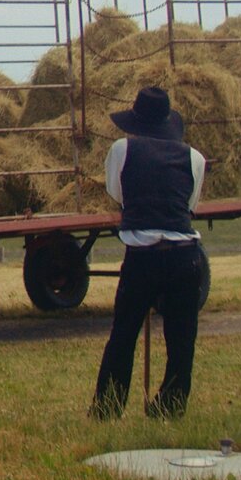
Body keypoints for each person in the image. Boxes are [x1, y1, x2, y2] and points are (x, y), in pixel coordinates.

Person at [91, 87, 210, 419]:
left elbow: (117, 191)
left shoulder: (122, 149)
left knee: (124, 335)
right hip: (185, 254)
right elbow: (190, 205)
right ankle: (170, 406)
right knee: (181, 339)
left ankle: (108, 407)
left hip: (142, 254)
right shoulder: (194, 158)